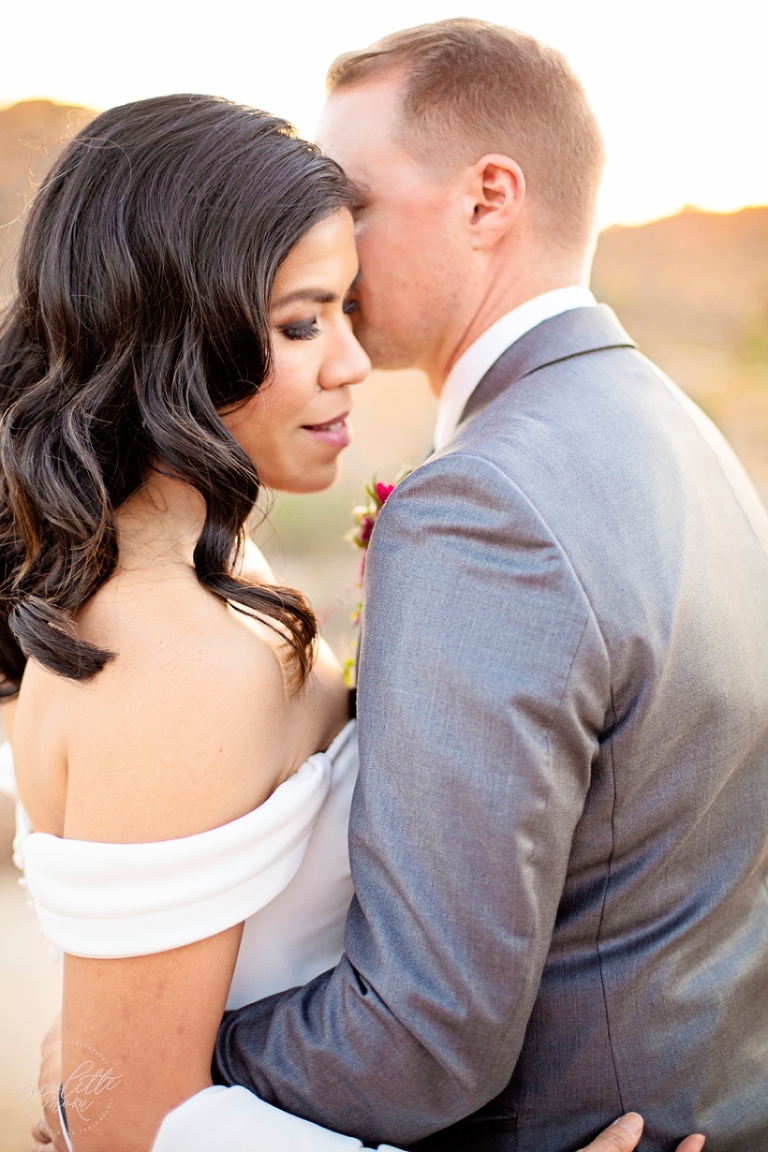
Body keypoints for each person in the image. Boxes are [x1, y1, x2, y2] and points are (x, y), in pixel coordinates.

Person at [0, 94, 690, 1152]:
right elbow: (126, 1122)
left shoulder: (216, 567)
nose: (350, 361)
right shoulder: (174, 659)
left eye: (343, 310)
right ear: (171, 329)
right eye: (298, 321)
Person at [208, 19, 768, 1152]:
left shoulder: (486, 502)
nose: (326, 238)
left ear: (487, 200)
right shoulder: (677, 432)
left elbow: (422, 1041)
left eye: (351, 199)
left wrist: (180, 1046)